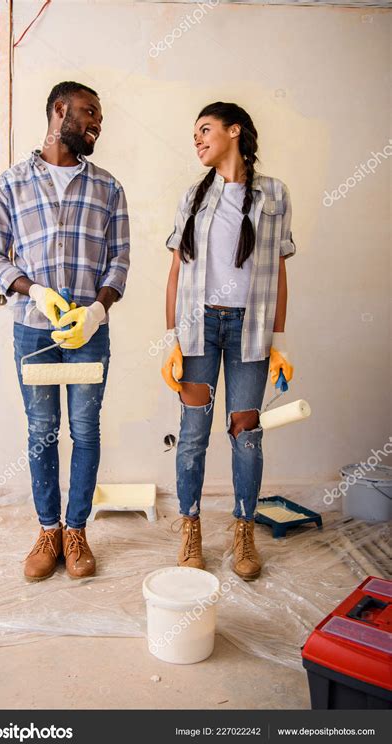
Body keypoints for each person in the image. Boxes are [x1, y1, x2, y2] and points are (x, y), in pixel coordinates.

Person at [0, 82, 130, 581]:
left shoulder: (109, 188)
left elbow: (119, 260)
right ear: (59, 111)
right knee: (42, 432)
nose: (97, 124)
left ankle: (77, 531)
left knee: (85, 432)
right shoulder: (11, 183)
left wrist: (97, 310)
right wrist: (32, 290)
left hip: (89, 332)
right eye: (90, 112)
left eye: (100, 116)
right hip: (33, 331)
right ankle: (48, 530)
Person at [162, 101, 295, 580]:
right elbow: (176, 269)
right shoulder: (192, 196)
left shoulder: (274, 194)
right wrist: (172, 339)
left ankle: (243, 531)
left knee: (246, 436)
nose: (197, 139)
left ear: (234, 130)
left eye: (206, 130)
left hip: (250, 331)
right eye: (194, 133)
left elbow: (278, 269)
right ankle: (191, 529)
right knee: (193, 435)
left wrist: (278, 339)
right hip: (199, 329)